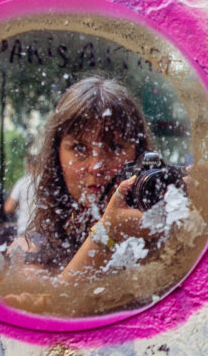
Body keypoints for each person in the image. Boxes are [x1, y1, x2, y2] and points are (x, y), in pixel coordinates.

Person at [8, 77, 157, 281]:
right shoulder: (28, 251)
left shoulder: (161, 234)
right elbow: (50, 307)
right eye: (79, 148)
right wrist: (109, 232)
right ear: (56, 157)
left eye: (114, 147)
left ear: (138, 156)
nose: (96, 167)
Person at [4, 152, 36, 236]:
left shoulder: (22, 182)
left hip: (25, 228)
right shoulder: (47, 183)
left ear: (29, 166)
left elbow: (8, 207)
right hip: (44, 231)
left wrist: (17, 208)